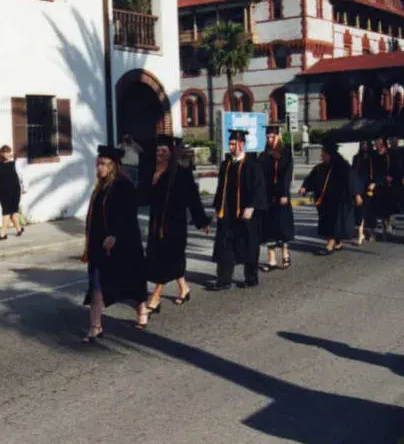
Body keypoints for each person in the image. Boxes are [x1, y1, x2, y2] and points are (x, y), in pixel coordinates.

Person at [81, 145, 149, 339]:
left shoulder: (123, 185)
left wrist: (115, 235)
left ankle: (141, 309)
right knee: (96, 284)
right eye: (97, 163)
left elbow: (128, 215)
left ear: (112, 166)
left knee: (131, 281)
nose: (98, 168)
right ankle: (95, 327)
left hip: (123, 245)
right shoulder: (100, 187)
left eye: (103, 164)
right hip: (99, 246)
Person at [143, 135, 210, 311]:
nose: (160, 153)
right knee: (164, 260)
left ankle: (155, 297)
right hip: (156, 224)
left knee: (166, 262)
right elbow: (144, 197)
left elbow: (193, 199)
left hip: (174, 226)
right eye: (157, 150)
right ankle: (184, 288)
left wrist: (202, 221)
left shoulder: (181, 173)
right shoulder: (153, 172)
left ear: (171, 153)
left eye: (163, 150)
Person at [207, 129, 267, 290]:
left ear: (242, 144)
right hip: (227, 212)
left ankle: (251, 277)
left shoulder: (252, 165)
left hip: (246, 212)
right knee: (225, 244)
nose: (231, 147)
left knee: (249, 243)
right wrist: (218, 208)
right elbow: (221, 189)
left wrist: (252, 207)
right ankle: (224, 280)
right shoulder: (225, 165)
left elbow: (259, 188)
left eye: (233, 144)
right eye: (230, 144)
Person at [300, 142, 362, 255]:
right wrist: (305, 187)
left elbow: (352, 180)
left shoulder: (342, 167)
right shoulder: (320, 167)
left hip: (338, 201)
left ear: (330, 155)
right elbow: (310, 179)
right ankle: (337, 243)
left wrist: (356, 194)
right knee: (327, 222)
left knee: (333, 222)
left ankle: (330, 244)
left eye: (323, 153)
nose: (321, 156)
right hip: (324, 201)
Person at [258, 125, 295, 269]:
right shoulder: (264, 155)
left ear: (278, 136)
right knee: (269, 228)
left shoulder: (286, 154)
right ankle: (272, 260)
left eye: (272, 137)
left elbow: (287, 175)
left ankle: (286, 254)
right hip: (268, 196)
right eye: (267, 137)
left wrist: (285, 193)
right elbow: (260, 176)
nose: (270, 140)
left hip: (281, 195)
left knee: (282, 226)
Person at [365, 137, 402, 239]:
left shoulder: (390, 154)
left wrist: (393, 177)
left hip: (388, 185)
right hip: (375, 185)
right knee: (375, 208)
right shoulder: (372, 155)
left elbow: (396, 168)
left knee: (387, 208)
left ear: (383, 143)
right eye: (376, 142)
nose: (376, 144)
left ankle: (387, 226)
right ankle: (377, 228)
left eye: (379, 142)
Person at [0, 144, 26, 241]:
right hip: (2, 191)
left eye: (10, 152)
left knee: (6, 212)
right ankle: (19, 229)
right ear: (1, 153)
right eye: (7, 152)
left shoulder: (14, 163)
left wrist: (24, 187)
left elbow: (21, 176)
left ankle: (3, 234)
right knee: (12, 212)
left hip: (14, 189)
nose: (9, 154)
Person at [352, 140, 373, 244]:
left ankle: (369, 231)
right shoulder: (356, 158)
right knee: (360, 209)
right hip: (359, 186)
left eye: (366, 144)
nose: (364, 146)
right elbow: (353, 173)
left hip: (371, 186)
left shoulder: (373, 157)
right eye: (362, 144)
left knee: (369, 210)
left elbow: (378, 171)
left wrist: (374, 183)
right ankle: (360, 234)